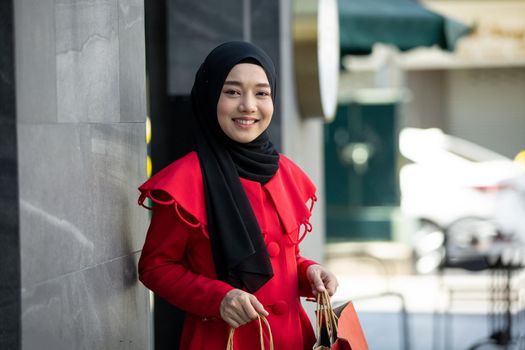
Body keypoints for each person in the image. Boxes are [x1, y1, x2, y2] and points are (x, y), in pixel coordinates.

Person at [137, 41, 338, 350]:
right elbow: (156, 267)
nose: (248, 105)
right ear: (209, 96)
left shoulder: (285, 172)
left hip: (293, 339)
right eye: (232, 92)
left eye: (261, 93)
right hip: (222, 341)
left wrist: (308, 271)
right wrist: (218, 298)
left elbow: (281, 257)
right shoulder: (186, 180)